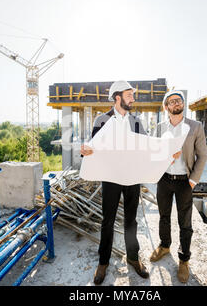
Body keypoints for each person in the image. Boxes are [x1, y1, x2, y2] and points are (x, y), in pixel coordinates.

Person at [80, 80, 149, 285]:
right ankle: (103, 262)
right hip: (110, 178)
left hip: (132, 177)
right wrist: (86, 151)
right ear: (117, 97)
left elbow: (146, 147)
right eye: (129, 95)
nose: (133, 98)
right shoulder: (102, 120)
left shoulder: (136, 121)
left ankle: (133, 258)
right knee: (107, 221)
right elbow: (92, 150)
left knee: (131, 221)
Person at [149, 90, 207, 283]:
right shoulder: (159, 128)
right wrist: (165, 156)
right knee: (164, 216)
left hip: (185, 180)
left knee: (185, 222)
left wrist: (193, 181)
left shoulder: (195, 126)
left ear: (183, 104)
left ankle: (184, 259)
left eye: (179, 101)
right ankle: (165, 246)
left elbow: (202, 155)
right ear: (166, 107)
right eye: (172, 102)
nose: (176, 104)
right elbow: (152, 153)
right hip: (164, 179)